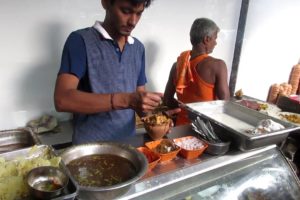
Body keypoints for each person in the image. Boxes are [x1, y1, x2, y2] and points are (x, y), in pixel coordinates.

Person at [54, 0, 179, 144]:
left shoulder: (138, 48)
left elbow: (139, 101)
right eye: (126, 11)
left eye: (139, 13)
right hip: (90, 149)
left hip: (128, 146)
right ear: (105, 3)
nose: (133, 21)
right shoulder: (80, 41)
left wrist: (156, 120)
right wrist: (126, 100)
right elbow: (62, 99)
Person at [163, 18, 230, 126]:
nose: (216, 43)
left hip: (181, 128)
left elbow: (167, 99)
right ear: (206, 39)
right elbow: (225, 105)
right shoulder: (218, 65)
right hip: (207, 131)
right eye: (215, 38)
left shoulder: (177, 66)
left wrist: (185, 109)